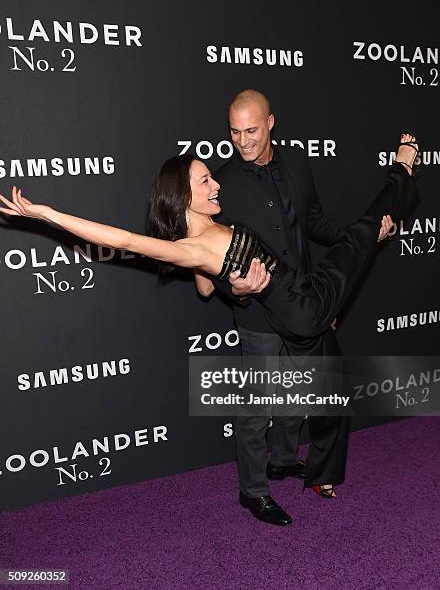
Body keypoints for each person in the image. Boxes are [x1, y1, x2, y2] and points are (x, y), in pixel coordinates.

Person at [0, 136, 419, 527]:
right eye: (206, 180)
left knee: (362, 236)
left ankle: (397, 182)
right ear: (184, 196)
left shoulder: (209, 233)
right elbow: (125, 238)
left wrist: (226, 281)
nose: (216, 184)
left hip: (303, 297)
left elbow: (205, 284)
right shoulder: (189, 248)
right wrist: (48, 215)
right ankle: (402, 168)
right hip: (299, 309)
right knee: (364, 232)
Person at [198, 89, 396, 522]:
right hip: (257, 312)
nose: (243, 141)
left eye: (251, 130)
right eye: (234, 132)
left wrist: (362, 237)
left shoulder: (298, 164)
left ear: (271, 123)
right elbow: (211, 259)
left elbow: (317, 224)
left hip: (303, 302)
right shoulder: (221, 185)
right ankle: (253, 492)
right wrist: (239, 290)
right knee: (256, 410)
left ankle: (284, 459)